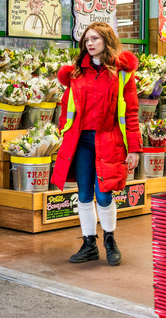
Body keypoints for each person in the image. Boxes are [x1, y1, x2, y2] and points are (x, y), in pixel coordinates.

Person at [50, 22, 142, 267]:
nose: (90, 43)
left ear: (107, 41)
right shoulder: (76, 73)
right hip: (80, 142)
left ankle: (110, 240)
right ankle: (89, 243)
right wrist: (63, 133)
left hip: (108, 141)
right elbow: (66, 108)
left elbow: (131, 113)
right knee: (83, 194)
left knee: (103, 195)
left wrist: (134, 149)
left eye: (95, 39)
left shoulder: (123, 74)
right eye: (87, 39)